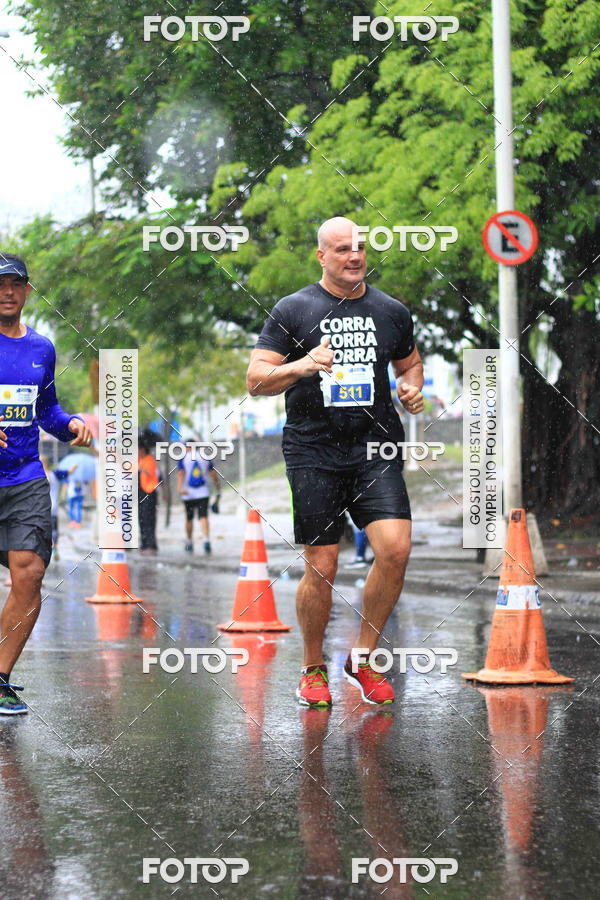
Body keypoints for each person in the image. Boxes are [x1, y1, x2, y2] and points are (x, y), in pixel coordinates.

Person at [246, 217, 424, 708]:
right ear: (321, 256)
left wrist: (411, 387)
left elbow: (409, 362)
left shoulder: (391, 310)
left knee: (396, 549)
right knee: (322, 565)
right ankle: (312, 667)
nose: (355, 255)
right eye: (342, 248)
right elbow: (256, 379)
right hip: (314, 451)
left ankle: (362, 657)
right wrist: (303, 364)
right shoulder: (294, 309)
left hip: (375, 447)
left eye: (360, 247)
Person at [0, 254, 91, 714]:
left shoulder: (41, 348)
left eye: (16, 284)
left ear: (27, 291)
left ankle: (0, 677)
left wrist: (69, 423)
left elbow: (46, 410)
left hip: (24, 476)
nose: (7, 292)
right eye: (0, 284)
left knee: (31, 573)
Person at [177, 441, 220, 554]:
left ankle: (189, 542)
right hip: (203, 493)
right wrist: (217, 488)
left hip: (188, 494)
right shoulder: (205, 456)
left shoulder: (183, 458)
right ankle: (206, 540)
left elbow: (181, 473)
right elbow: (213, 474)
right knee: (203, 516)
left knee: (189, 518)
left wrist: (180, 487)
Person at [39, 455, 71, 561]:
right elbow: (69, 471)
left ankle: (43, 551)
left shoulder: (37, 476)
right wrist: (74, 467)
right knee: (54, 529)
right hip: (53, 507)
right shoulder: (55, 474)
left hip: (40, 509)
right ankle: (55, 549)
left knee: (41, 530)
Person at [138, 441, 159, 553]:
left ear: (142, 449)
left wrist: (141, 469)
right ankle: (144, 544)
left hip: (149, 492)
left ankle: (151, 545)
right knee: (142, 519)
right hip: (141, 492)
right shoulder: (139, 460)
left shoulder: (150, 460)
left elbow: (148, 472)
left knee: (149, 519)